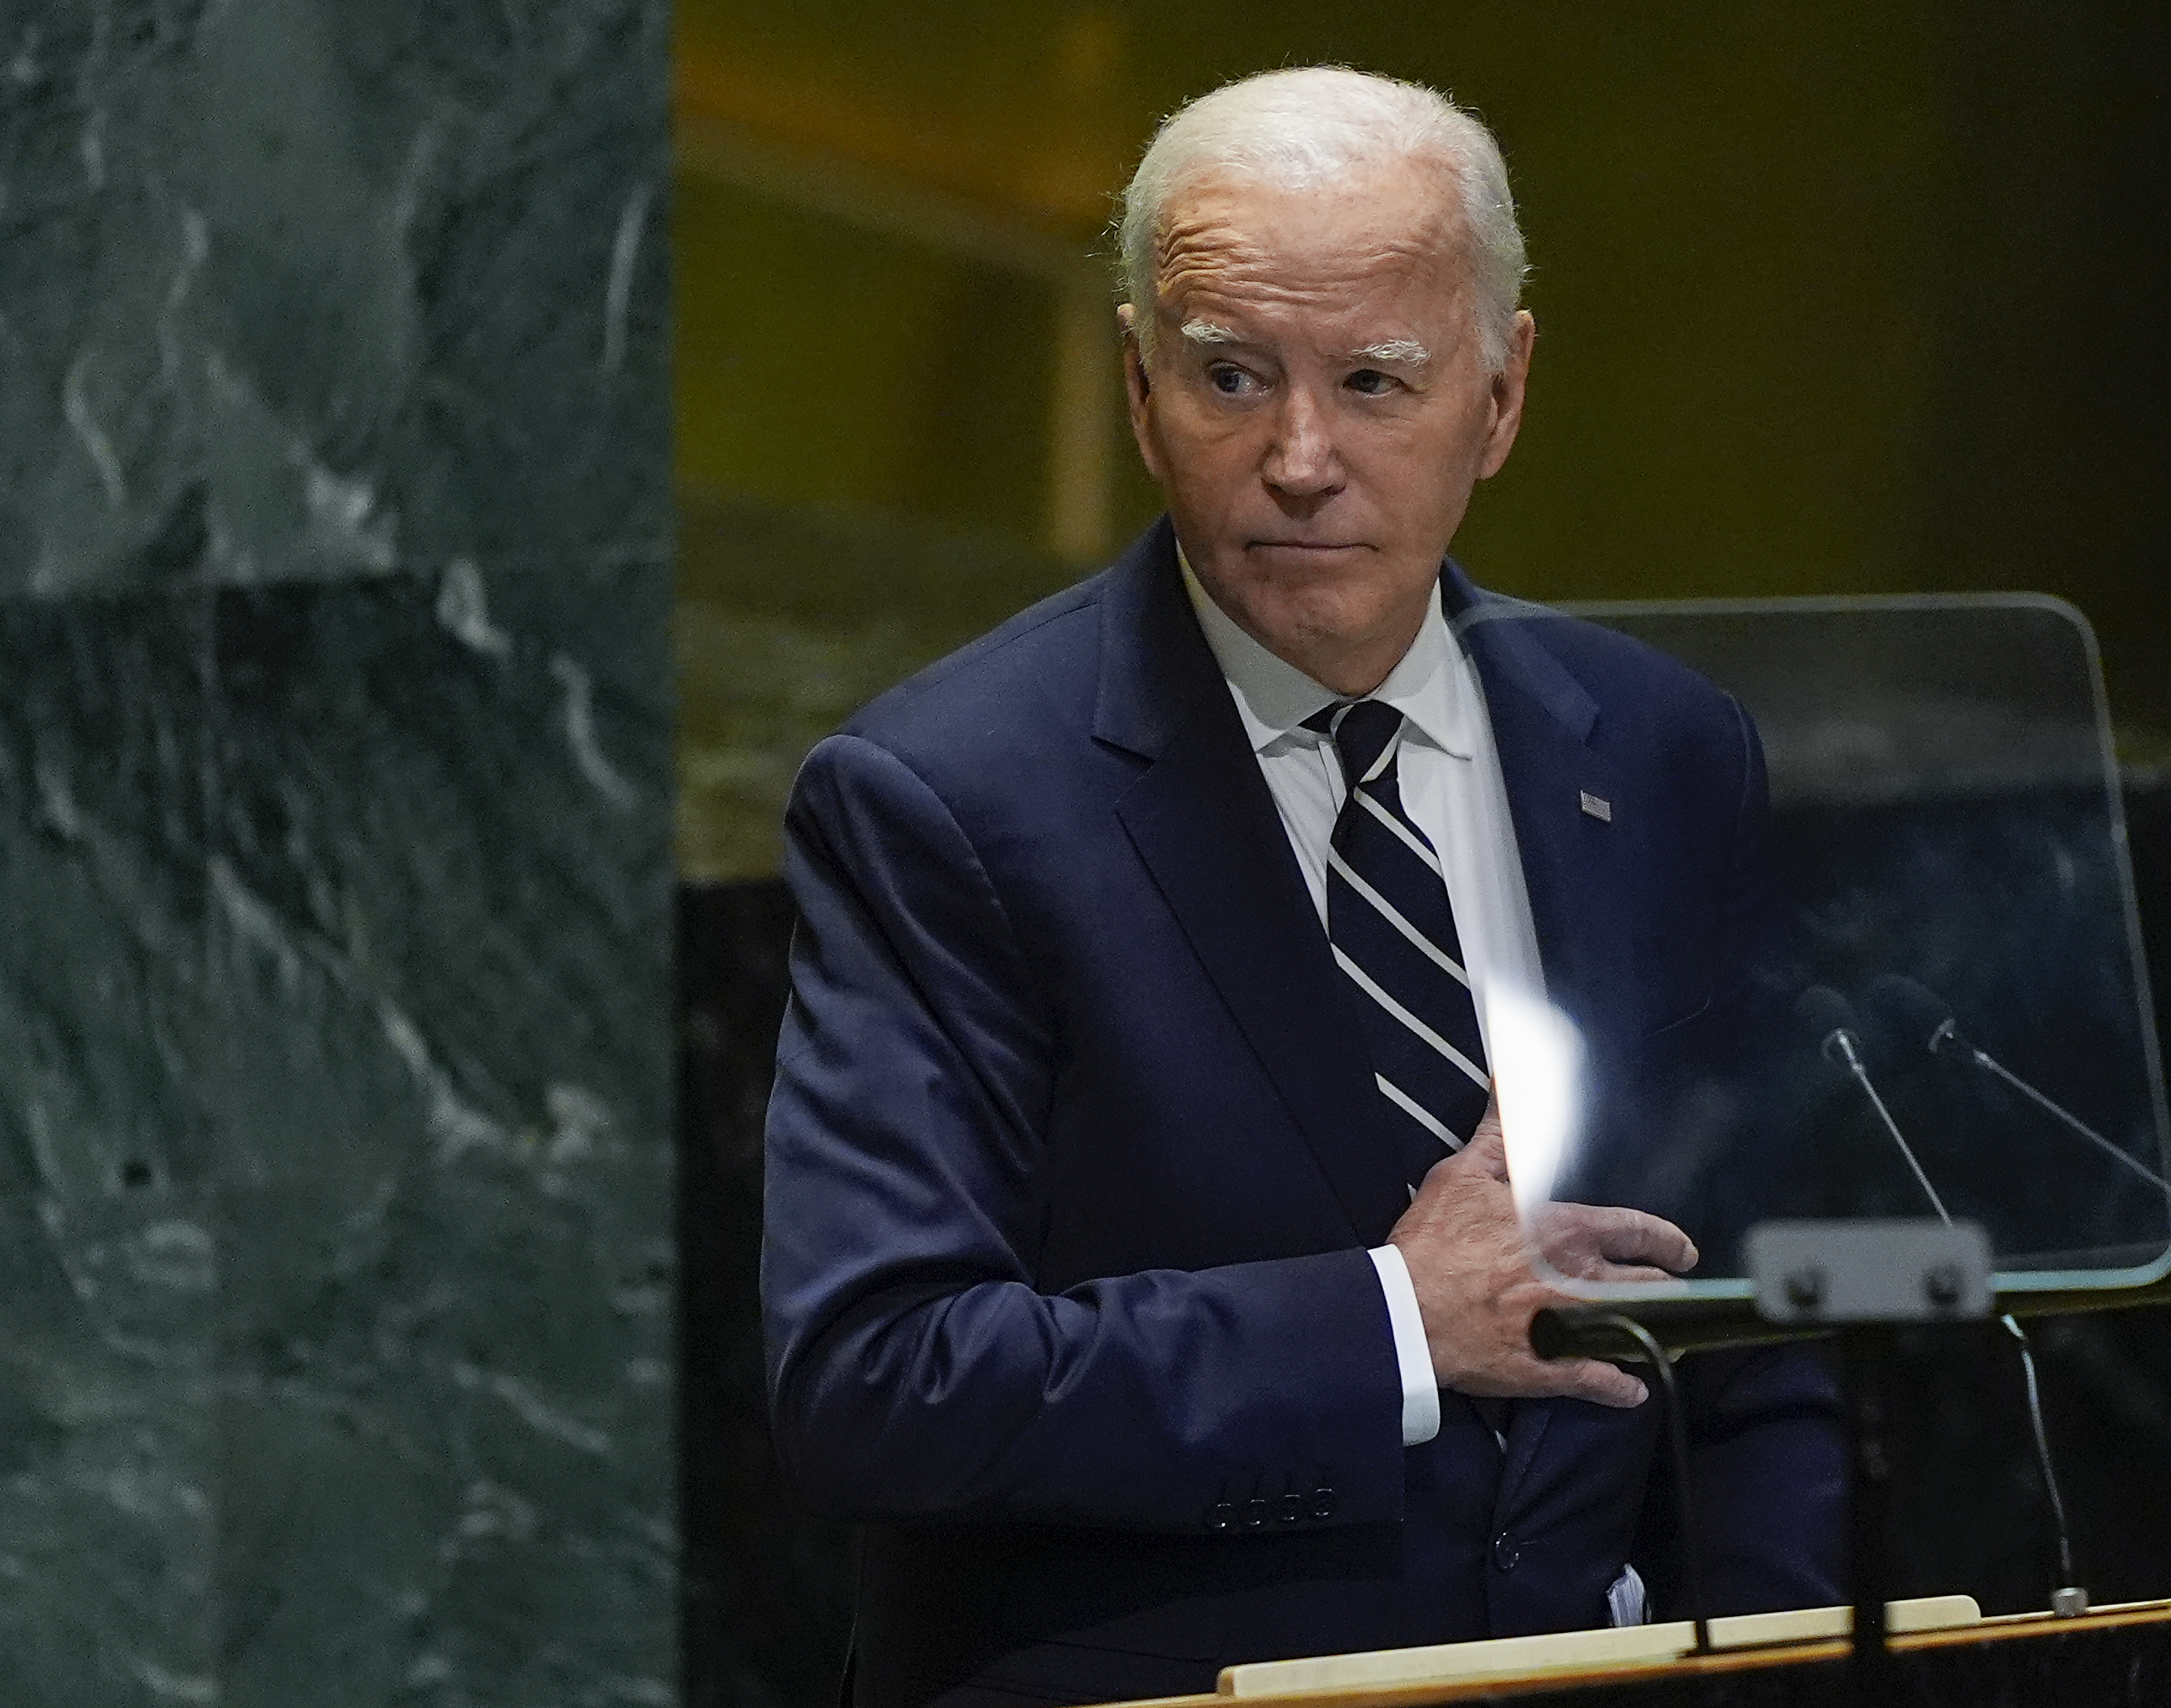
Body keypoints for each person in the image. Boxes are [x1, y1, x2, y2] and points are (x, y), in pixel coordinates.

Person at [762, 66, 1843, 1708]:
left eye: (1373, 381)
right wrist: (1388, 1323)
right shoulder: (944, 797)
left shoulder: (1666, 750)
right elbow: (878, 1376)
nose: (1298, 456)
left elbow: (1760, 1330)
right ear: (1137, 388)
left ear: (1500, 392)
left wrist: (1772, 1653)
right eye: (1229, 376)